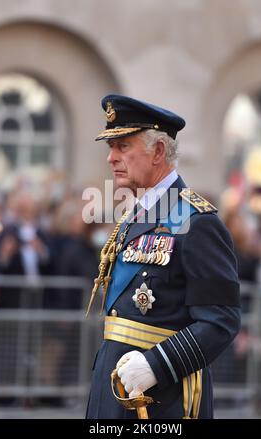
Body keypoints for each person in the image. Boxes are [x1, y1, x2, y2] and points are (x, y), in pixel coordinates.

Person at [86, 94, 241, 419]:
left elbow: (221, 320)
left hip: (163, 398)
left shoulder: (196, 222)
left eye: (123, 146)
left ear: (158, 151)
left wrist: (157, 365)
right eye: (110, 148)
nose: (111, 158)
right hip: (116, 389)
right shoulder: (135, 214)